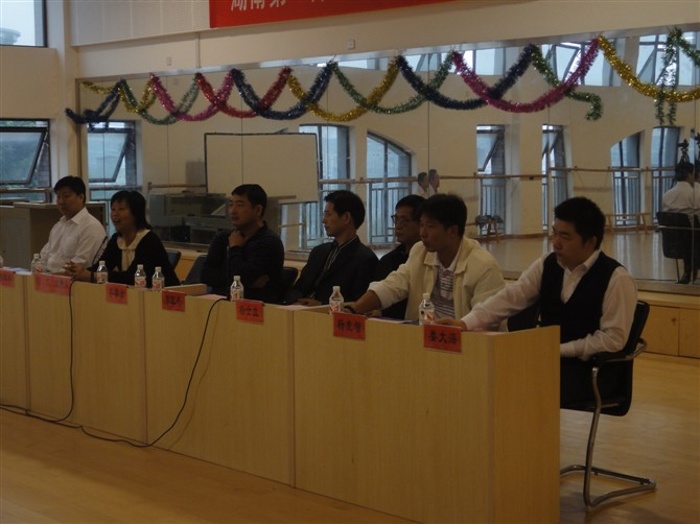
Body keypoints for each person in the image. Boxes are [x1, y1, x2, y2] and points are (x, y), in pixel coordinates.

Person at [435, 197, 637, 406]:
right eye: (554, 233)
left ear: (591, 242)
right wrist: (465, 323)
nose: (556, 242)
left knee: (511, 383)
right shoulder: (547, 264)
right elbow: (511, 297)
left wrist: (560, 350)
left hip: (592, 373)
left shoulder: (617, 279)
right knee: (483, 373)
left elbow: (613, 340)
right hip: (547, 361)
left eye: (565, 237)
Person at [346, 194, 505, 321]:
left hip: (466, 343)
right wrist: (354, 309)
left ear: (452, 231)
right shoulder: (420, 251)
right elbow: (393, 285)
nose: (423, 233)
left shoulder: (484, 266)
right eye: (421, 225)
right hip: (423, 339)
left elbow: (486, 319)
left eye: (430, 226)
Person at [66, 190, 179, 287]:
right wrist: (79, 271)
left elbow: (132, 277)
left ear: (135, 213)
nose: (115, 214)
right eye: (113, 209)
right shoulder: (117, 239)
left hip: (165, 295)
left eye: (121, 209)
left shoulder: (149, 240)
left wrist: (91, 276)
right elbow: (101, 266)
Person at [286, 190, 377, 305]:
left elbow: (358, 303)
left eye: (328, 214)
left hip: (327, 313)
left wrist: (322, 305)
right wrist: (294, 301)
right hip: (298, 310)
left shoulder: (365, 259)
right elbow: (298, 287)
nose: (324, 220)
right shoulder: (318, 251)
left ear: (346, 217)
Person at [200, 183, 285, 302]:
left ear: (258, 210)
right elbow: (206, 275)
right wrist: (245, 282)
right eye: (231, 205)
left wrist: (235, 248)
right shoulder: (223, 238)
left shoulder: (269, 242)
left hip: (257, 308)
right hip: (220, 303)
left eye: (239, 205)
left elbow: (242, 277)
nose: (233, 211)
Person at [37, 176, 106, 273]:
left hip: (73, 280)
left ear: (81, 197)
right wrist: (39, 270)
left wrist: (51, 276)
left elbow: (80, 264)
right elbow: (44, 257)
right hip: (51, 277)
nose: (61, 201)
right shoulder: (58, 226)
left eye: (66, 196)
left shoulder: (91, 226)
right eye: (58, 197)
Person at [373, 194, 425, 319]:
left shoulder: (428, 259)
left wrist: (384, 314)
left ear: (421, 223)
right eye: (396, 219)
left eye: (404, 221)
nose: (398, 226)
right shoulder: (388, 260)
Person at [662, 160, 698, 283]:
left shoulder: (667, 195)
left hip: (674, 240)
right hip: (694, 238)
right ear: (689, 174)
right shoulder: (695, 194)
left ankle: (688, 270)